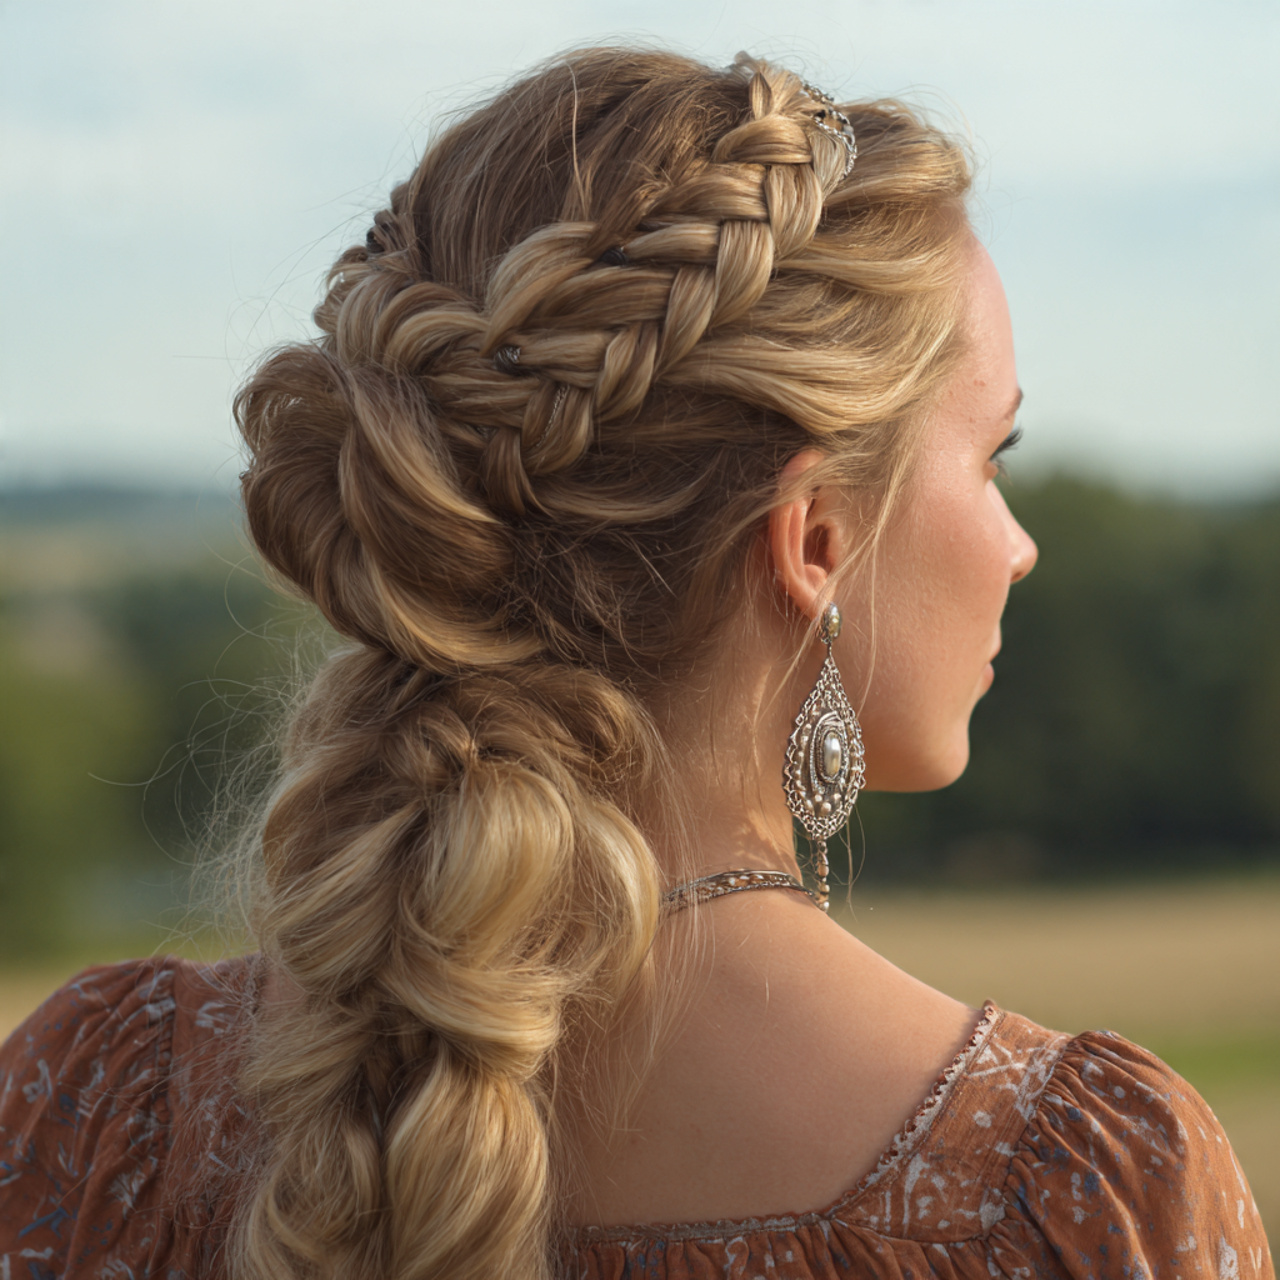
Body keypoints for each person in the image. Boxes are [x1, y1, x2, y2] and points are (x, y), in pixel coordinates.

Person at [0, 46, 1270, 1280]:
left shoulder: (93, 1099)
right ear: (814, 535)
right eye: (992, 456)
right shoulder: (1071, 1192)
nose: (1019, 546)